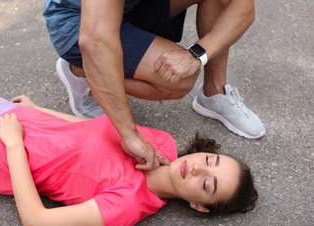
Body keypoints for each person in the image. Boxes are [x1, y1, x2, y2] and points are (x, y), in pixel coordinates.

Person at [0, 54, 258, 226]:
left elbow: (36, 220)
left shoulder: (127, 205)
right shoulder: (161, 143)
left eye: (207, 183)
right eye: (211, 160)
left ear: (199, 206)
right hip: (12, 116)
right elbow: (94, 128)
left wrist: (13, 145)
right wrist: (38, 110)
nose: (198, 166)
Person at [43, 0, 266, 173]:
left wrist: (197, 55)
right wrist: (129, 135)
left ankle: (214, 93)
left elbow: (243, 6)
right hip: (79, 21)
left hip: (133, 7)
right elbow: (95, 39)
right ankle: (81, 71)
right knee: (177, 82)